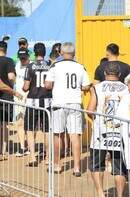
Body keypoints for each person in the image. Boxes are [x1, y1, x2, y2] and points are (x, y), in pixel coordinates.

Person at [45, 42, 91, 176]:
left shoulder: (55, 66)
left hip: (59, 103)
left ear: (61, 53)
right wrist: (79, 88)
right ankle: (77, 167)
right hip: (75, 103)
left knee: (57, 134)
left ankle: (57, 165)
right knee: (74, 135)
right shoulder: (80, 67)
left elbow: (48, 85)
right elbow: (86, 86)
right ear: (74, 53)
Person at [87, 62, 128, 197]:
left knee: (97, 165)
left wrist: (96, 120)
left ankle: (100, 193)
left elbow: (90, 110)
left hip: (101, 131)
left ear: (105, 74)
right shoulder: (126, 88)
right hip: (120, 132)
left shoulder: (97, 88)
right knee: (119, 168)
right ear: (120, 74)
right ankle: (120, 195)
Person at [23, 42, 52, 166]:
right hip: (47, 101)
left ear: (35, 53)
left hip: (32, 101)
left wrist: (24, 88)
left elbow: (25, 87)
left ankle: (32, 157)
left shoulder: (29, 66)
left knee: (30, 130)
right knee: (47, 130)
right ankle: (48, 158)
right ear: (44, 52)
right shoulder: (50, 65)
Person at [0, 41, 16, 156]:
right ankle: (4, 150)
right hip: (6, 95)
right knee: (5, 124)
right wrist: (11, 84)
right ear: (6, 49)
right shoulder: (9, 61)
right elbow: (11, 77)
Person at [14, 48, 31, 157]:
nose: (23, 60)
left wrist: (28, 94)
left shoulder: (32, 66)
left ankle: (30, 146)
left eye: (24, 58)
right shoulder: (17, 65)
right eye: (21, 58)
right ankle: (22, 147)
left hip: (29, 98)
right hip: (18, 98)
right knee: (20, 123)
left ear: (28, 56)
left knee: (30, 124)